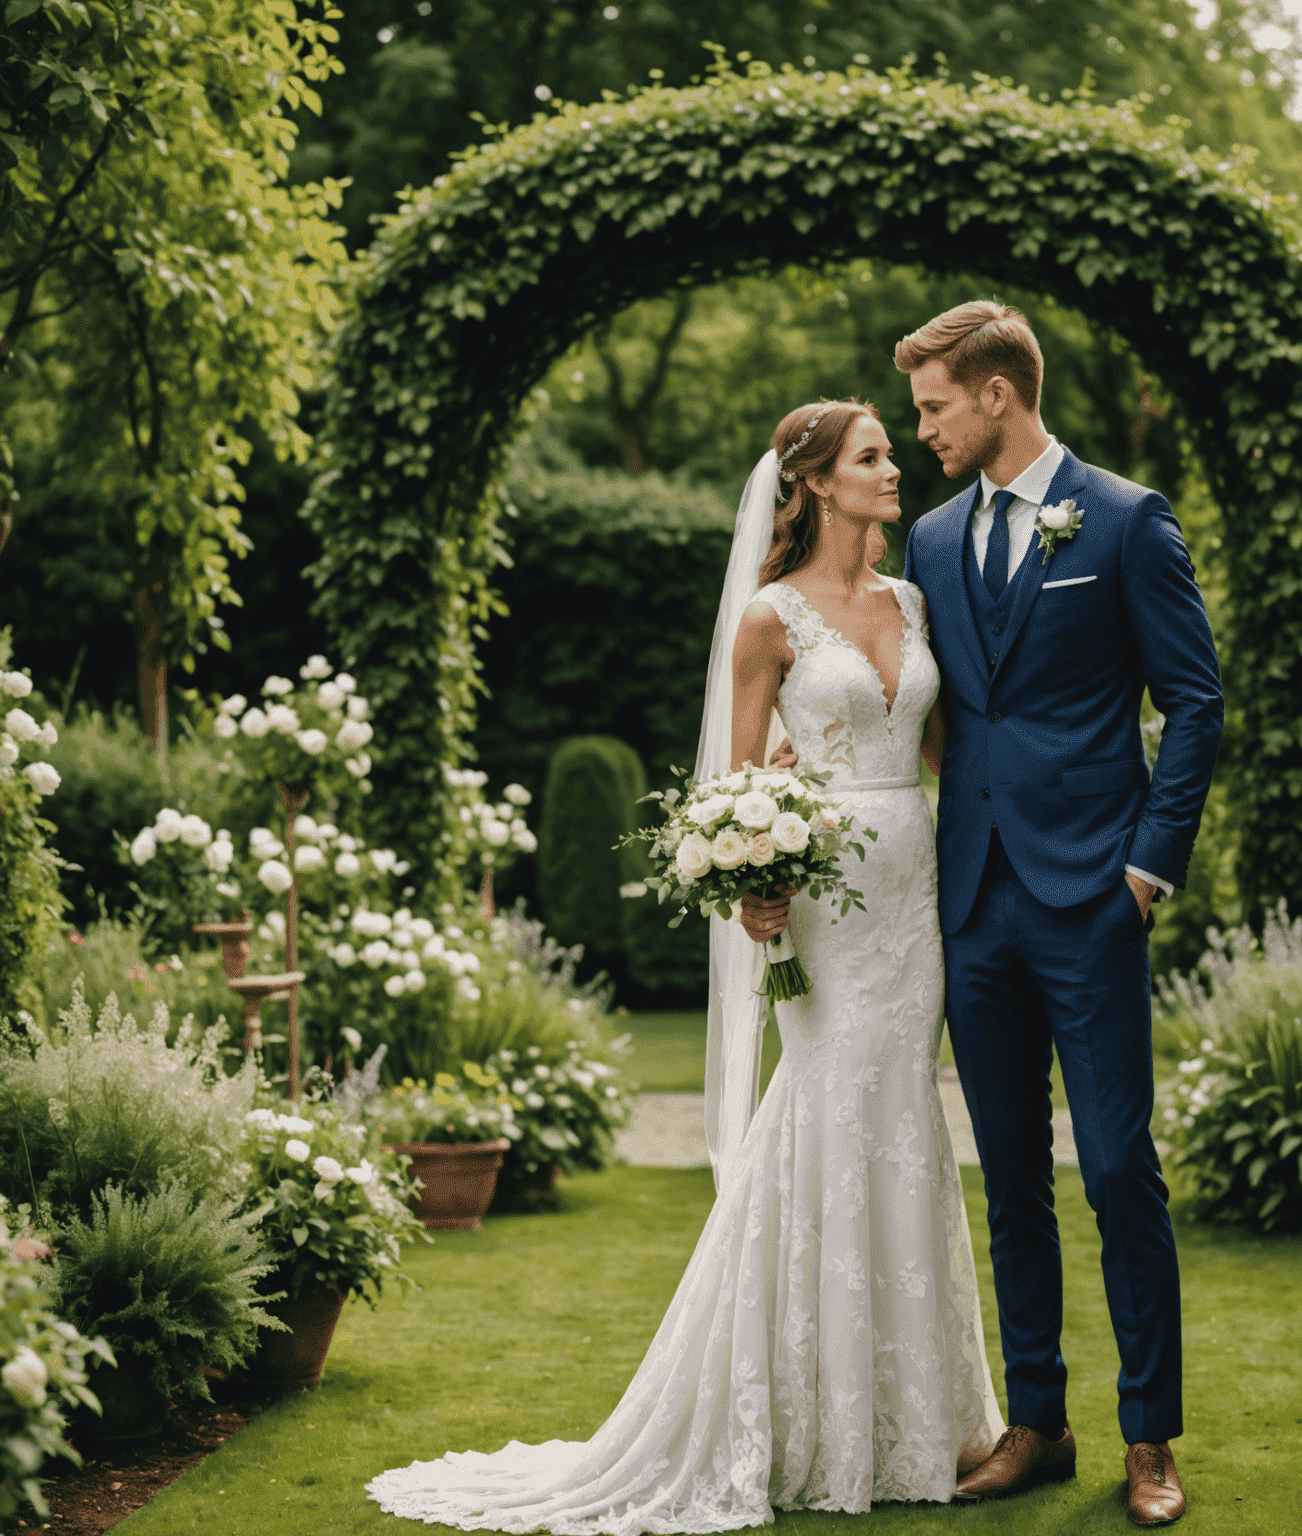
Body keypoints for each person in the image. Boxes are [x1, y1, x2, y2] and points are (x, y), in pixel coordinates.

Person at [366, 398, 1004, 1533]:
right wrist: (753, 869)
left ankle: (920, 1421)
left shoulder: (912, 600)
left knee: (905, 1114)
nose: (893, 468)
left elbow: (949, 750)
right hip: (826, 903)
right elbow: (734, 774)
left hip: (917, 897)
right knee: (825, 1110)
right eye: (871, 456)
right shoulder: (768, 618)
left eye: (892, 453)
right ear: (810, 483)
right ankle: (806, 1417)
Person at [895, 300, 1223, 1525]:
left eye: (934, 407)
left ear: (996, 394)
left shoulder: (1128, 521)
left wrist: (1148, 866)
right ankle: (1038, 1421)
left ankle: (1151, 1438)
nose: (921, 429)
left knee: (1119, 1169)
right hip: (973, 900)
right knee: (1012, 1177)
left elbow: (1196, 701)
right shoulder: (930, 539)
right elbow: (936, 708)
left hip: (1094, 896)